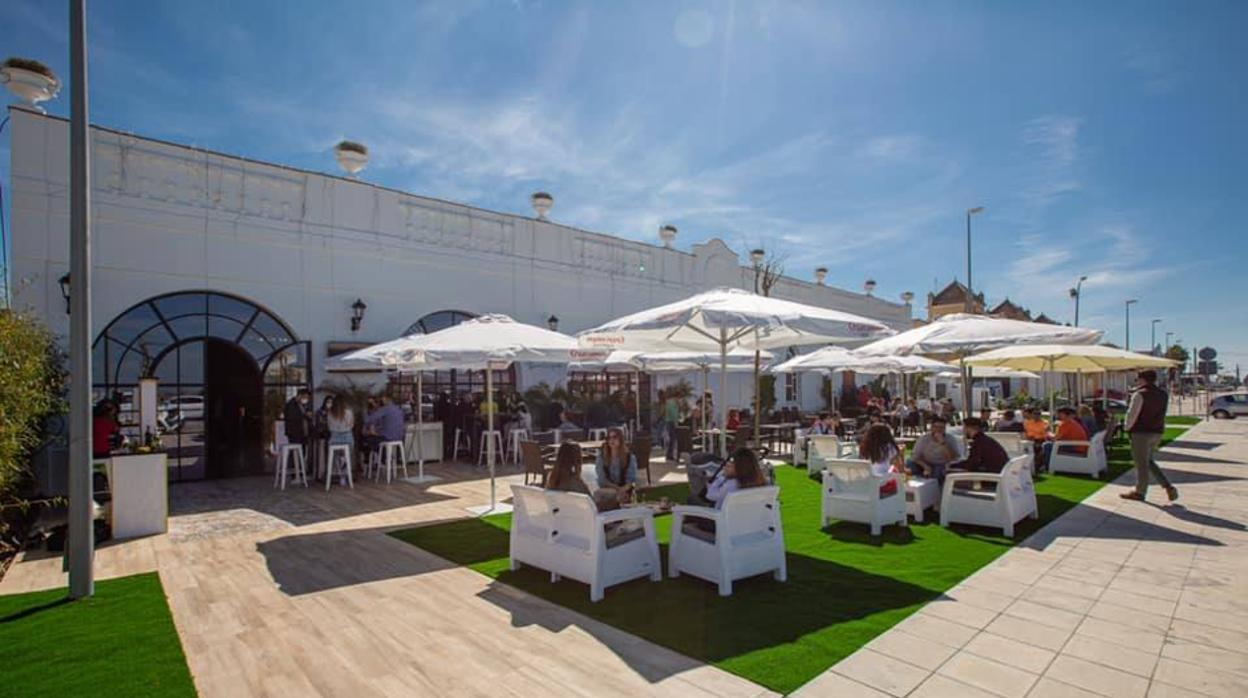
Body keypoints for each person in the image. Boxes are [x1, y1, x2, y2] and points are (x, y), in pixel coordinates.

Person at [1121, 370, 1178, 502]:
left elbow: (1132, 414)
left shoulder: (1140, 394)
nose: (1137, 382)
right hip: (1157, 432)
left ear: (1142, 380)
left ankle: (1140, 492)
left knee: (1141, 464)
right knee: (1149, 461)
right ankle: (1168, 487)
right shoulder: (1163, 394)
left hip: (1141, 433)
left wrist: (1127, 428)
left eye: (1137, 380)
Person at [703, 447, 768, 508]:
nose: (724, 468)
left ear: (739, 469)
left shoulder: (732, 484)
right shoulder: (761, 481)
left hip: (722, 518)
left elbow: (709, 495)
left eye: (728, 466)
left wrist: (719, 478)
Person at [906, 416, 962, 483]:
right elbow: (915, 456)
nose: (938, 430)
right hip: (925, 462)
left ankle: (935, 488)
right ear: (931, 428)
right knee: (910, 463)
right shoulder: (924, 438)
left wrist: (943, 443)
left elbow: (952, 458)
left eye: (941, 427)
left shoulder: (950, 439)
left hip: (941, 464)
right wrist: (925, 466)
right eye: (936, 427)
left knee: (937, 475)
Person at [860, 423, 904, 496]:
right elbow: (900, 468)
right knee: (894, 471)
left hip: (867, 482)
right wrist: (900, 454)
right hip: (882, 483)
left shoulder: (865, 447)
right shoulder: (889, 447)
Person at [325, 395, 355, 480]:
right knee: (348, 454)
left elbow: (329, 427)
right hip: (347, 438)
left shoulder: (330, 413)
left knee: (335, 455)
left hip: (334, 439)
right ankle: (345, 468)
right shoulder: (349, 412)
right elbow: (351, 425)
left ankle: (339, 470)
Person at [664, 391, 682, 461]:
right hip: (671, 422)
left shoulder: (671, 403)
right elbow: (673, 414)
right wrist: (676, 422)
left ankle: (669, 454)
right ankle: (669, 455)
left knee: (672, 439)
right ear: (677, 397)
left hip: (670, 422)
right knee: (672, 439)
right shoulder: (672, 404)